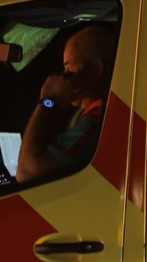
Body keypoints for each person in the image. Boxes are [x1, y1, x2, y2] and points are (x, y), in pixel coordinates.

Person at [16, 24, 118, 183]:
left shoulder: (98, 120)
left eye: (68, 69)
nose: (62, 78)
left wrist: (47, 100)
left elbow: (27, 173)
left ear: (96, 69)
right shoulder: (87, 112)